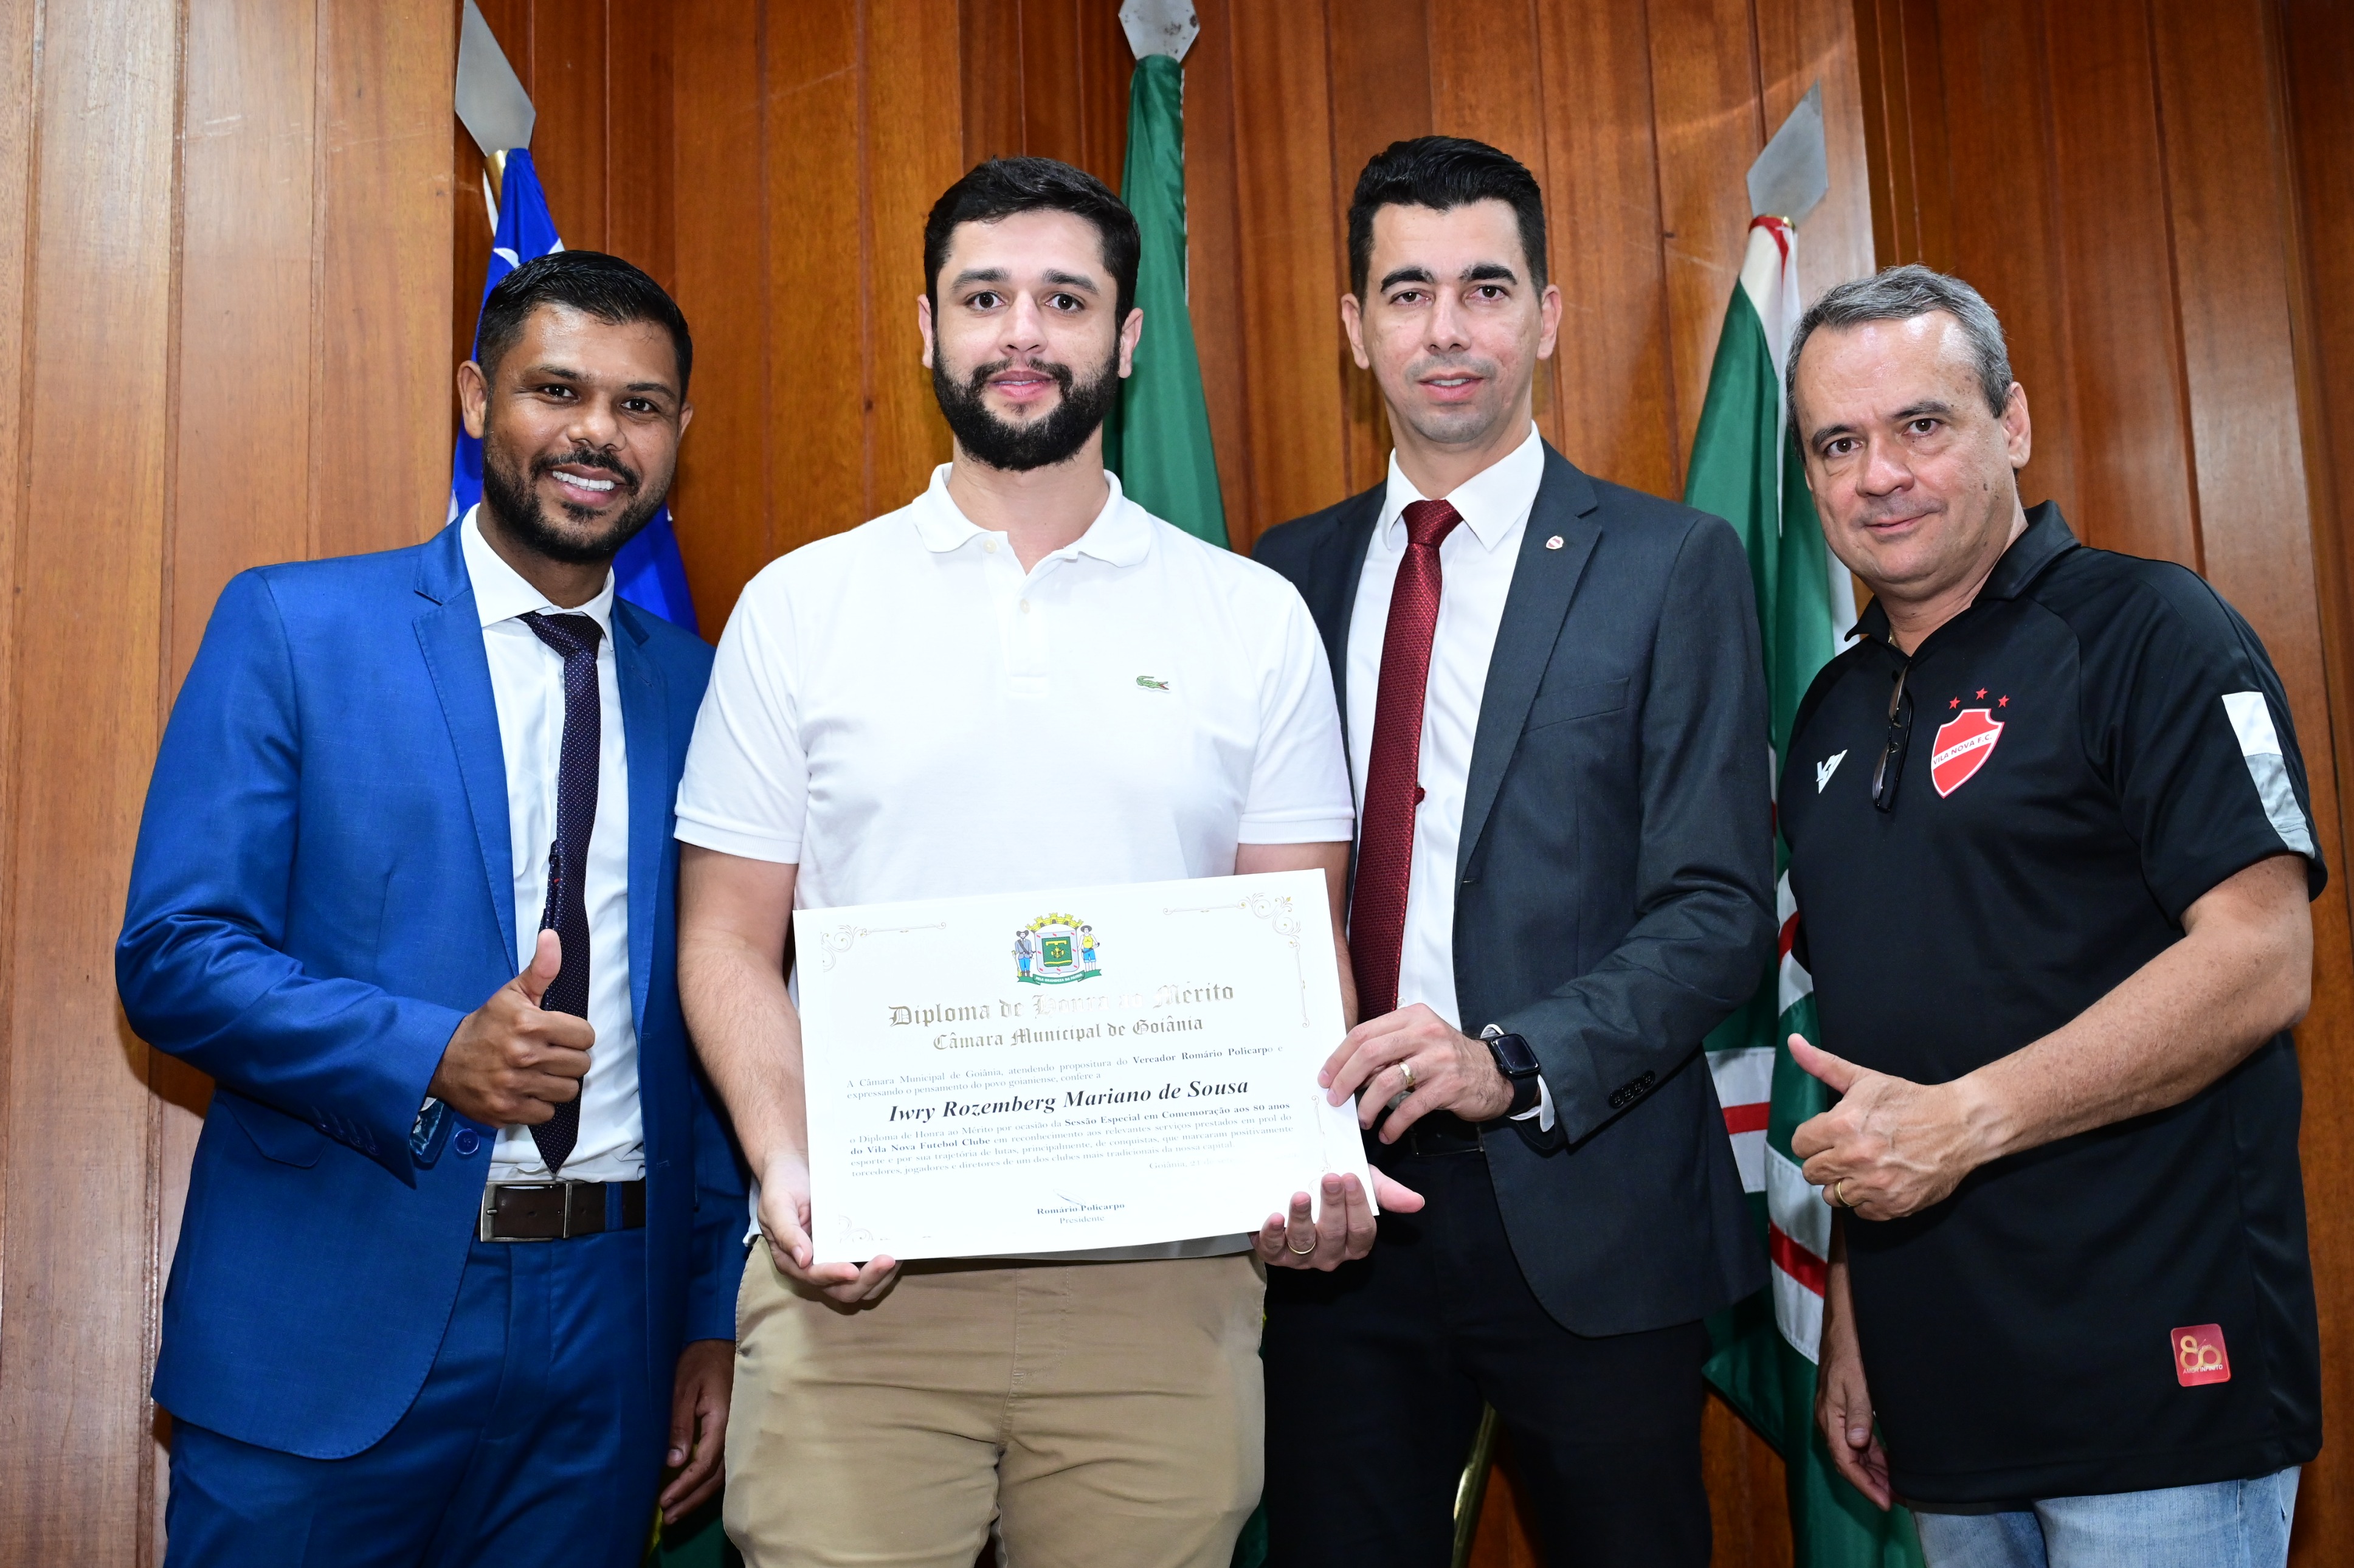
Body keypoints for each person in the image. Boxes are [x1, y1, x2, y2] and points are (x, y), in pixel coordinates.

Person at [672, 156, 1396, 1568]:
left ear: (1126, 338)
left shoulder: (1249, 620)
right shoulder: (799, 609)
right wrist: (786, 1158)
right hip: (855, 1287)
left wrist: (1310, 1158)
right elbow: (725, 940)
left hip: (1161, 1298)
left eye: (1065, 300)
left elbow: (1298, 942)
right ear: (927, 329)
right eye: (983, 297)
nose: (1022, 333)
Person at [117, 250, 747, 1567]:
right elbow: (174, 957)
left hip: (610, 1343)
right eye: (556, 390)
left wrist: (708, 1314)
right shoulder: (296, 627)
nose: (598, 433)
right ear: (475, 398)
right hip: (330, 1322)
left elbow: (715, 1002)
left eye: (639, 405)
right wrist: (430, 1052)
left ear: (680, 432)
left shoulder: (707, 690)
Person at [1251, 136, 1776, 1568]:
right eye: (1406, 291)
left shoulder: (1671, 563)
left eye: (1485, 288)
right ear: (1354, 326)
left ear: (1545, 315)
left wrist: (1511, 1060)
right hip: (1337, 1216)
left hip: (1584, 1197)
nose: (1446, 328)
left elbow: (1718, 909)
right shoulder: (1277, 579)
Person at [1776, 265, 2322, 1568]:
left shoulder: (2154, 631)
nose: (1879, 475)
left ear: (2010, 423)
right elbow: (1873, 1040)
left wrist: (1969, 1120)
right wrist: (1852, 1302)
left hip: (2161, 1382)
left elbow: (2261, 958)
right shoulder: (1827, 714)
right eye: (1838, 444)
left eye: (1921, 425)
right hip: (1946, 1398)